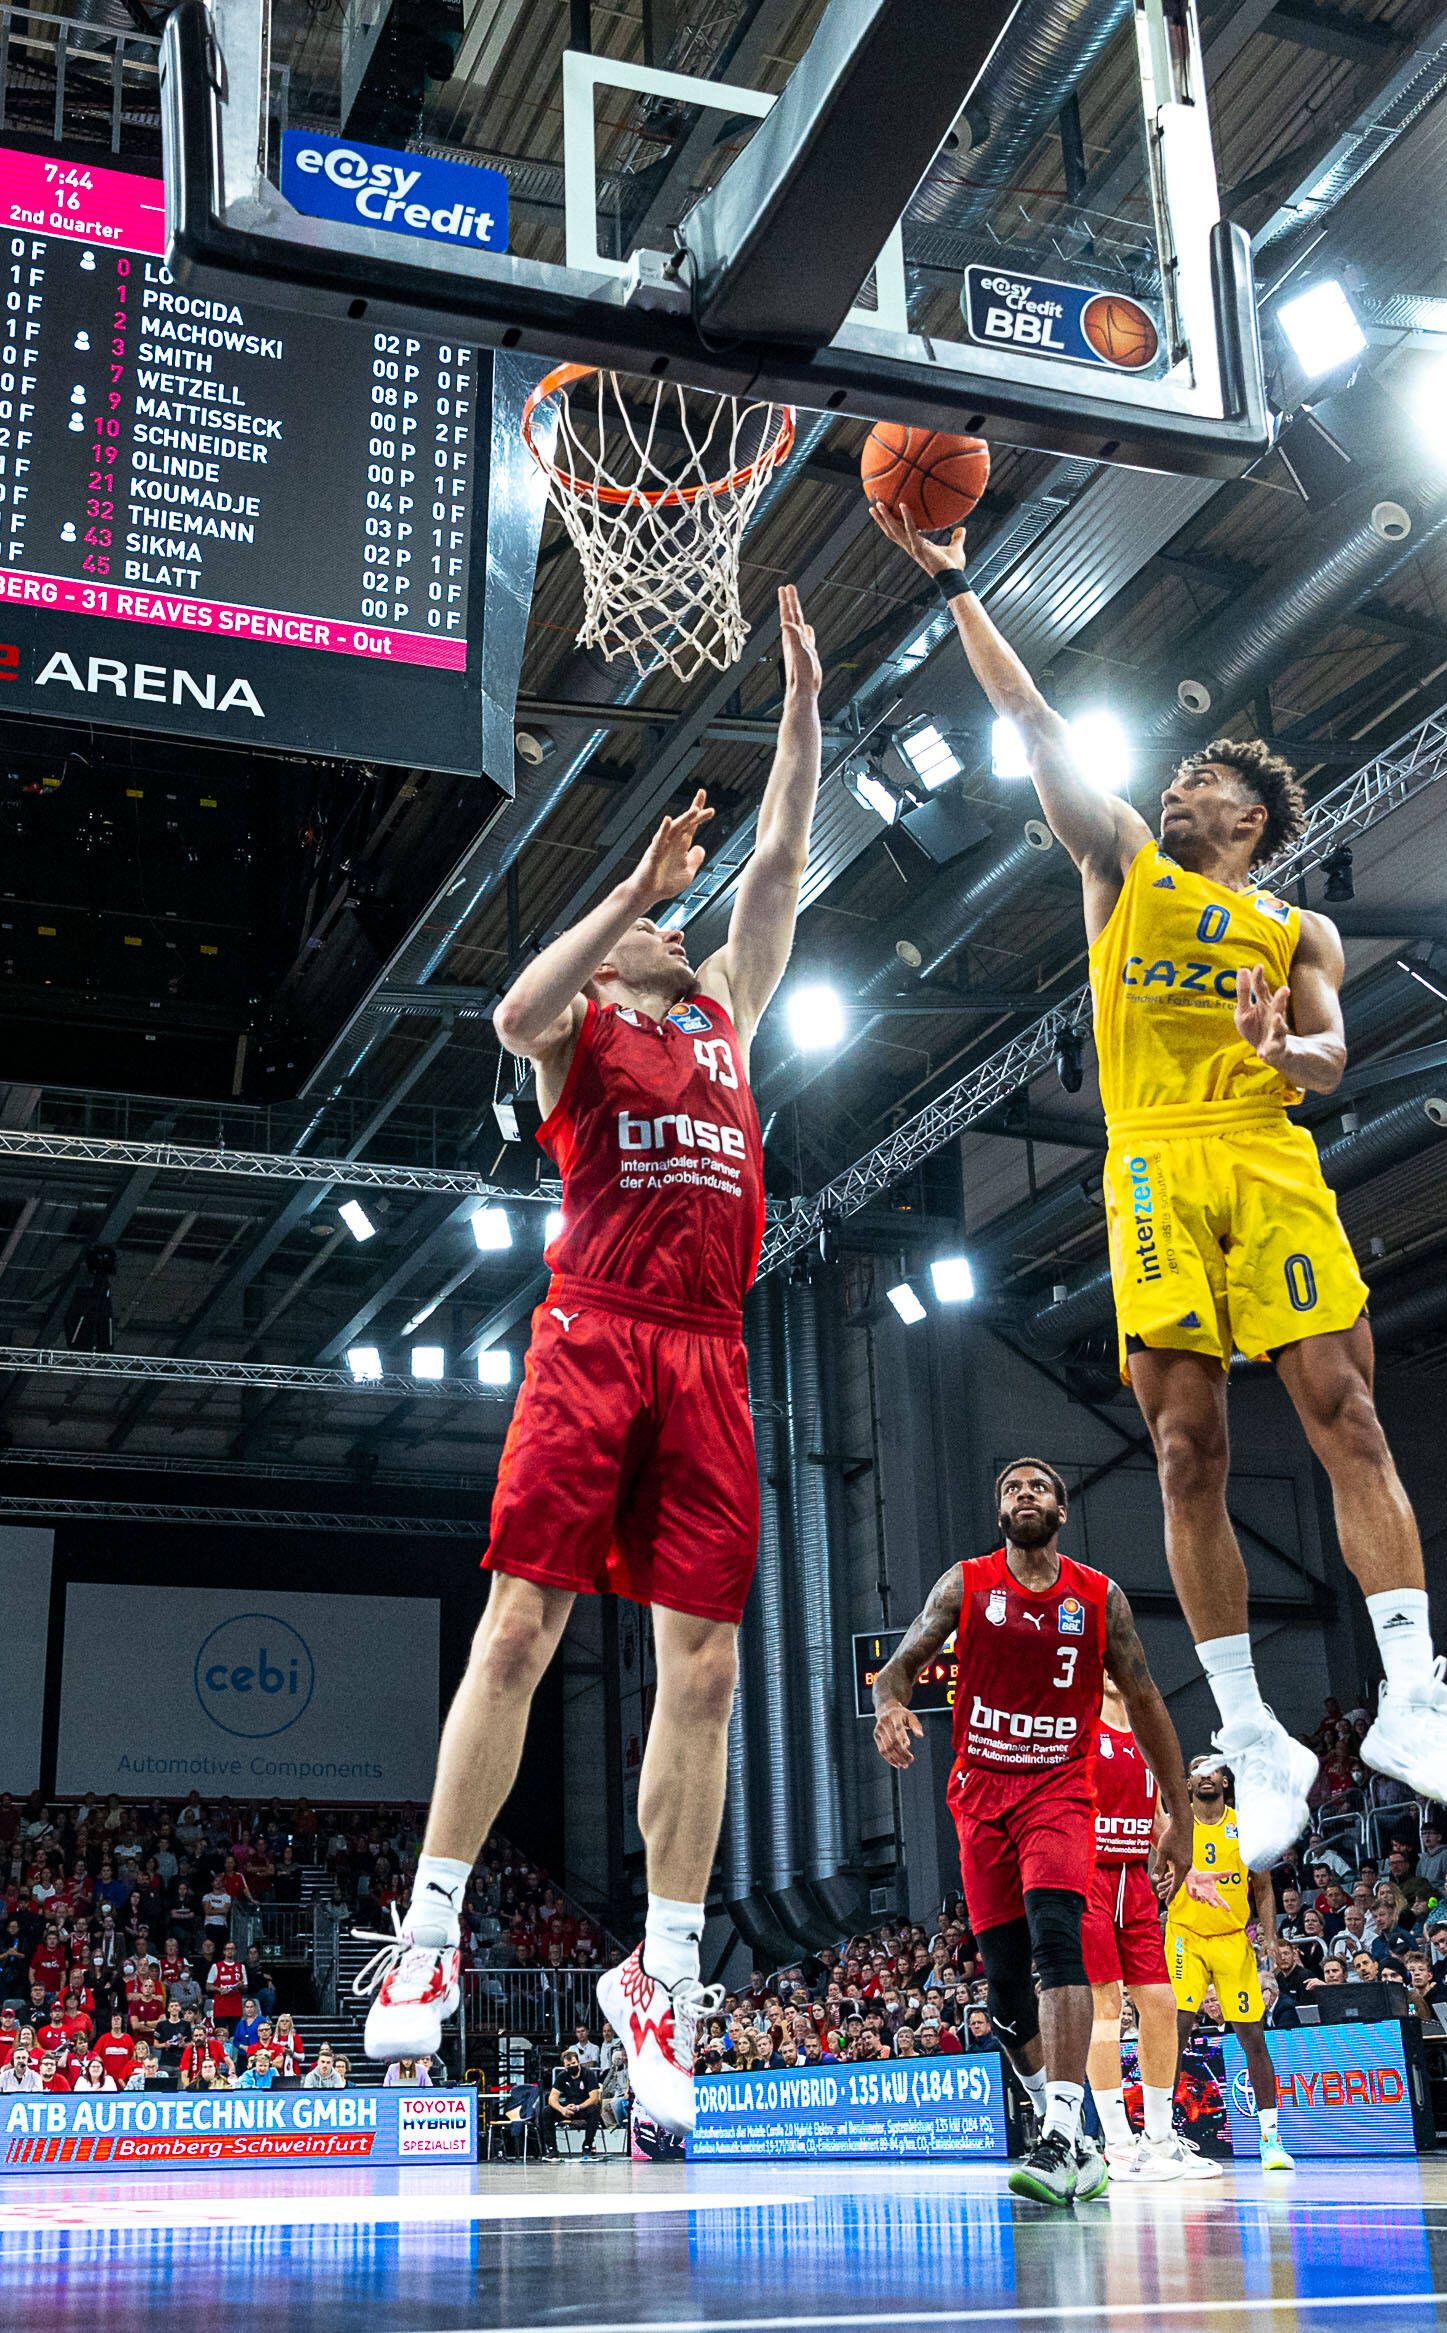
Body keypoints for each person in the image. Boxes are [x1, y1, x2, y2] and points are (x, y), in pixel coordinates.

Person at [872, 504, 1447, 1867]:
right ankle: (1254, 1732)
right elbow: (1040, 729)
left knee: (1348, 1413)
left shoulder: (1296, 923)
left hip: (1269, 1154)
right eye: (1172, 784)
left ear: (1254, 814)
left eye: (1202, 785)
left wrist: (1292, 1048)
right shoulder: (1122, 868)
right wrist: (959, 588)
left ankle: (1411, 1696)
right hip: (1153, 1159)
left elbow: (1336, 1052)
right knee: (1183, 1448)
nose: (1175, 792)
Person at [358, 592, 828, 2140]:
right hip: (595, 1332)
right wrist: (627, 879)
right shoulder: (582, 1037)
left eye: (677, 922)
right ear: (619, 943)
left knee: (709, 1667)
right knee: (518, 1630)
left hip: (708, 1351)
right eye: (655, 927)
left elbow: (779, 866)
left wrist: (806, 707)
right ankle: (429, 1936)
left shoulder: (728, 1024)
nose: (682, 930)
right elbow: (506, 1011)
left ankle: (667, 1975)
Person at [869, 1457, 1192, 2207]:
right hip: (980, 1797)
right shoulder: (967, 1582)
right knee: (1008, 1988)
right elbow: (897, 1668)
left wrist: (1174, 1810)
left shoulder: (1099, 1597)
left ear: (1061, 1509)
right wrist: (889, 1706)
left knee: (1058, 1943)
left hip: (1057, 1790)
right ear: (999, 1510)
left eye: (1038, 1486)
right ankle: (1068, 2130)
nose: (1024, 1494)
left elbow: (1145, 1699)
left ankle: (1061, 2129)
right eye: (1011, 1486)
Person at [1083, 1679, 1193, 2184]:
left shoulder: (1147, 1734)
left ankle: (1161, 2138)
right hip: (1088, 1877)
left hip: (1136, 1878)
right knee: (1106, 2004)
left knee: (1161, 2003)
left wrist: (1179, 1851)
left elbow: (1158, 1816)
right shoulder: (1079, 1724)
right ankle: (1117, 2143)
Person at [1165, 1758, 1297, 2173]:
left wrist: (1270, 1937)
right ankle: (1162, 2136)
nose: (1206, 1774)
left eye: (1214, 1768)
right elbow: (1154, 1876)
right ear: (1187, 1783)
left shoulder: (1247, 1826)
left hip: (1232, 1940)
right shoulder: (1174, 1826)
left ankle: (1271, 2140)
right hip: (1185, 1935)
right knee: (1178, 2027)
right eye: (1197, 1769)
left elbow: (1263, 1886)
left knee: (1253, 2037)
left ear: (1225, 1780)